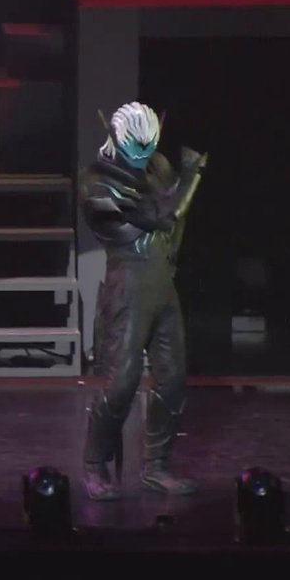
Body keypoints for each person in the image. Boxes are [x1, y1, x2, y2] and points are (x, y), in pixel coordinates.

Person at [78, 101, 207, 501]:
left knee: (173, 379)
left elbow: (173, 224)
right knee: (121, 383)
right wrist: (192, 176)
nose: (144, 155)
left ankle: (157, 466)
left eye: (150, 146)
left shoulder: (158, 165)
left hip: (161, 281)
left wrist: (172, 254)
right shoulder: (95, 183)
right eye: (137, 147)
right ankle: (95, 464)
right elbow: (158, 217)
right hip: (128, 284)